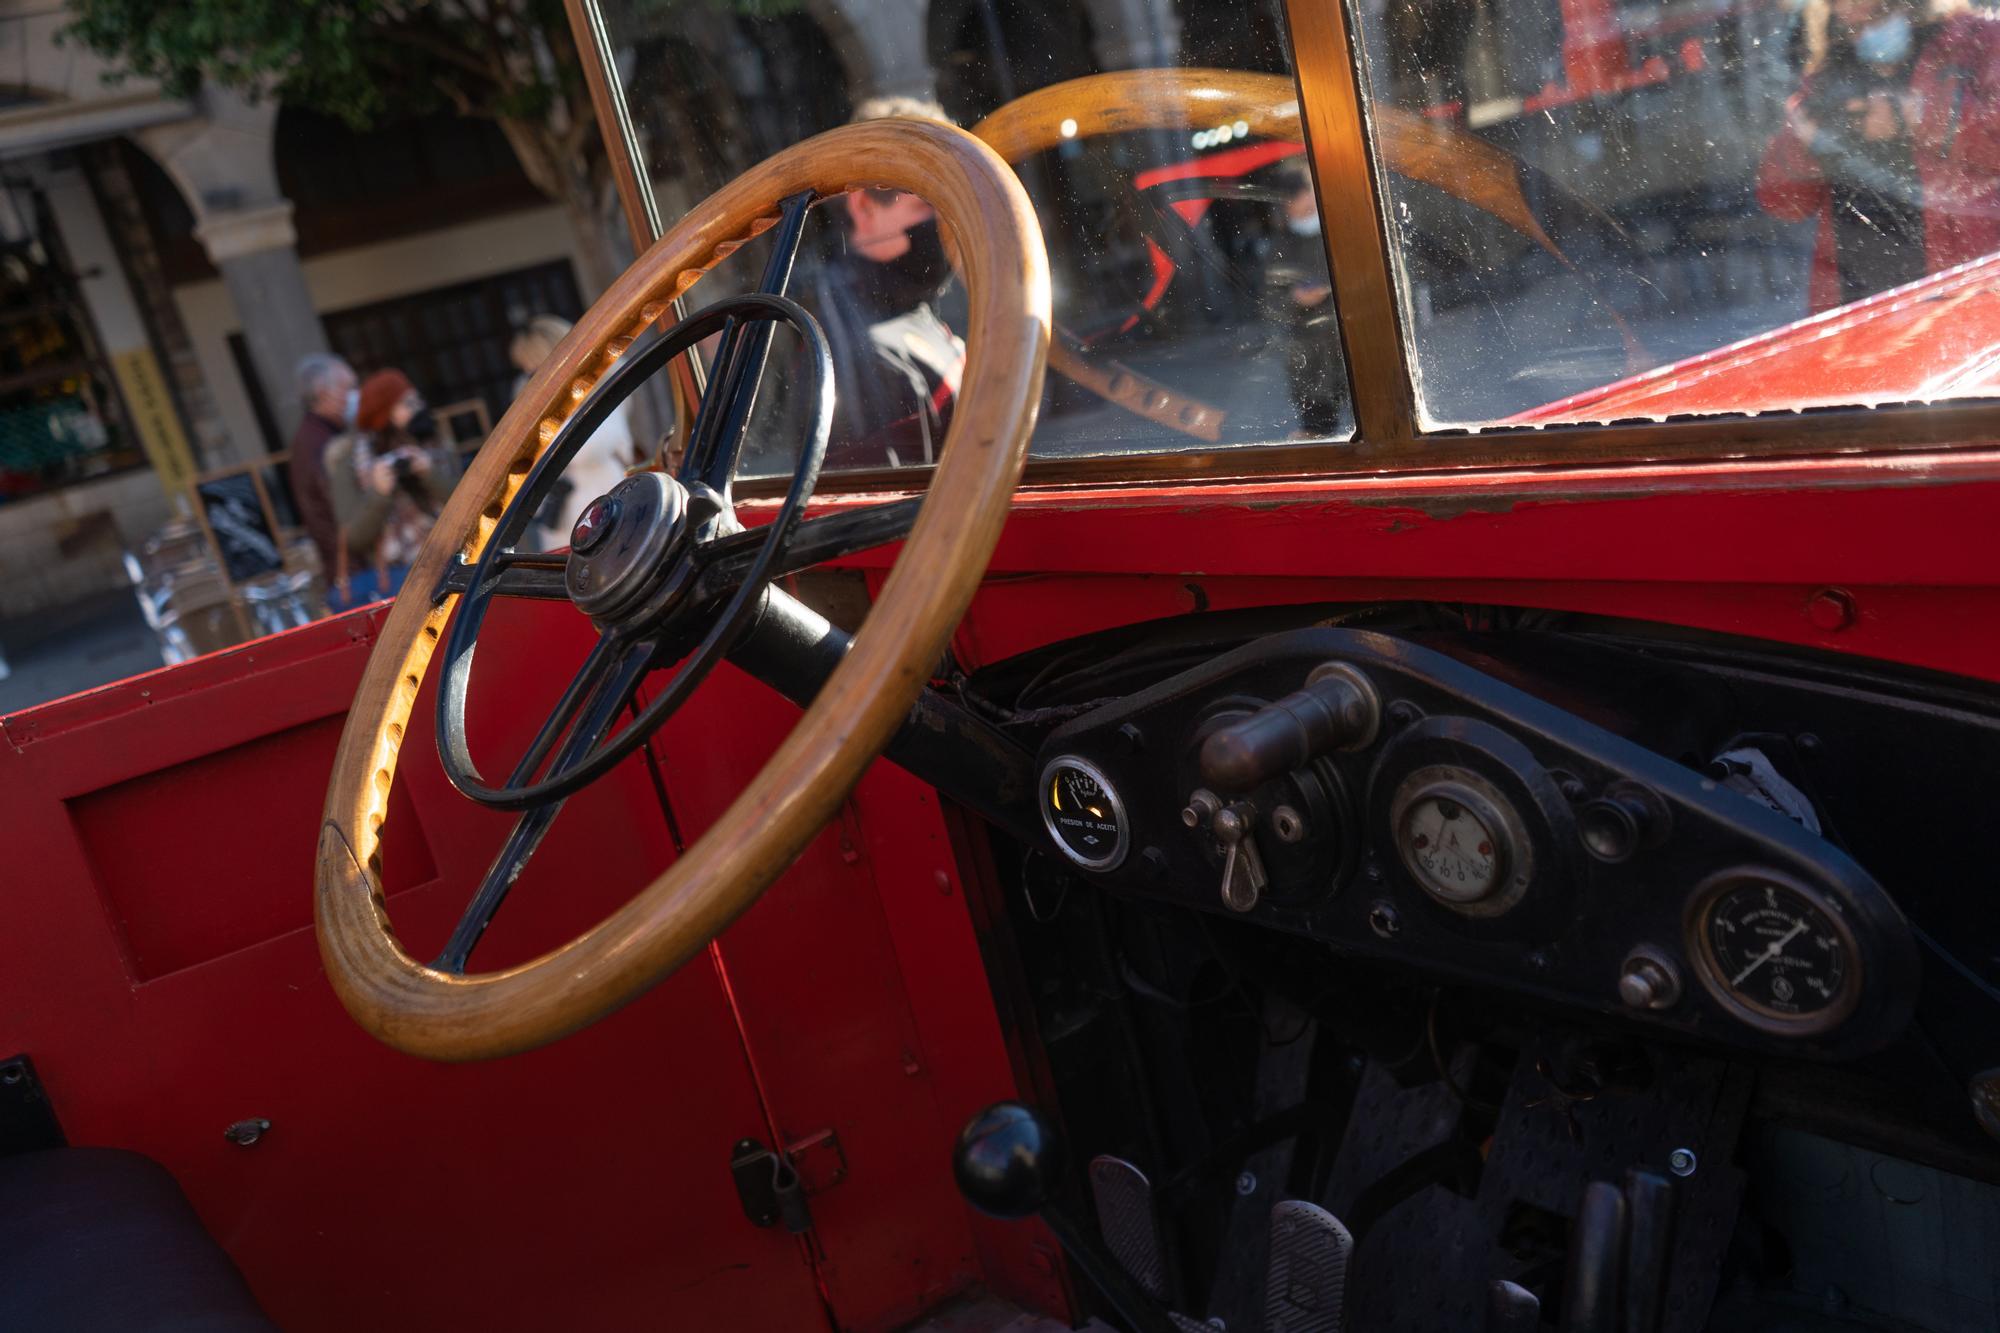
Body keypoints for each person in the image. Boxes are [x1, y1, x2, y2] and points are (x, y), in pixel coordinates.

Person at [1759, 0, 2000, 310]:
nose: (1848, 8)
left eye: (1874, 13)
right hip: (1857, 293)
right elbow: (1781, 204)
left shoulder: (1978, 42)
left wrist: (1916, 117)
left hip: (1962, 289)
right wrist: (1803, 143)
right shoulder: (1831, 66)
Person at [799, 97, 966, 470]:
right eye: (925, 207)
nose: (944, 226)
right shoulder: (849, 342)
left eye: (950, 206)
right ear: (864, 206)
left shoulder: (908, 305)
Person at [324, 369, 459, 610]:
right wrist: (379, 494)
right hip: (404, 583)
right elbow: (353, 538)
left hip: (456, 561)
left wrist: (429, 474)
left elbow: (469, 503)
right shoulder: (351, 465)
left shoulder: (435, 444)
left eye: (417, 399)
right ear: (384, 413)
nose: (418, 408)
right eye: (407, 403)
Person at [510, 315, 637, 546]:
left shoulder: (606, 391)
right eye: (528, 373)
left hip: (608, 513)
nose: (532, 379)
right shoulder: (533, 403)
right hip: (562, 525)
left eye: (536, 370)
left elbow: (582, 450)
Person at [289, 353, 358, 580]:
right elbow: (341, 509)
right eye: (347, 388)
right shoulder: (318, 443)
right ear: (322, 392)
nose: (354, 397)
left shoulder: (321, 434)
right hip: (354, 567)